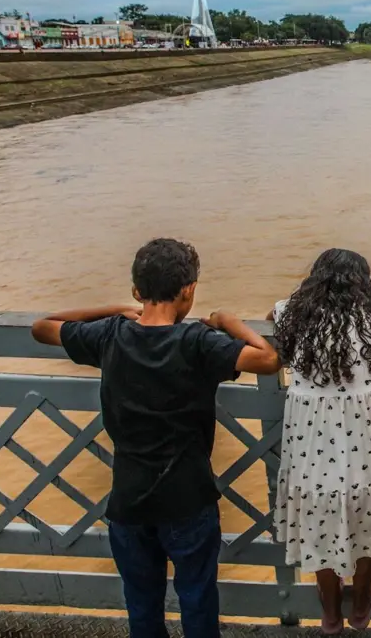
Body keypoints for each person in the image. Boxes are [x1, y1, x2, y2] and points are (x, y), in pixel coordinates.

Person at [30, 238, 280, 638]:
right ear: (188, 291)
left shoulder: (111, 335)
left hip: (128, 499)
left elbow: (43, 327)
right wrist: (228, 320)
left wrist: (114, 309)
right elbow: (268, 359)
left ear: (137, 291)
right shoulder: (198, 342)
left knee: (142, 603)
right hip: (188, 498)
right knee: (197, 596)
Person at [269, 249, 371, 634]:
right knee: (368, 517)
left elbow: (272, 314)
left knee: (320, 517)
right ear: (363, 282)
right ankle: (360, 606)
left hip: (311, 452)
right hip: (365, 451)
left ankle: (329, 613)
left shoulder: (292, 312)